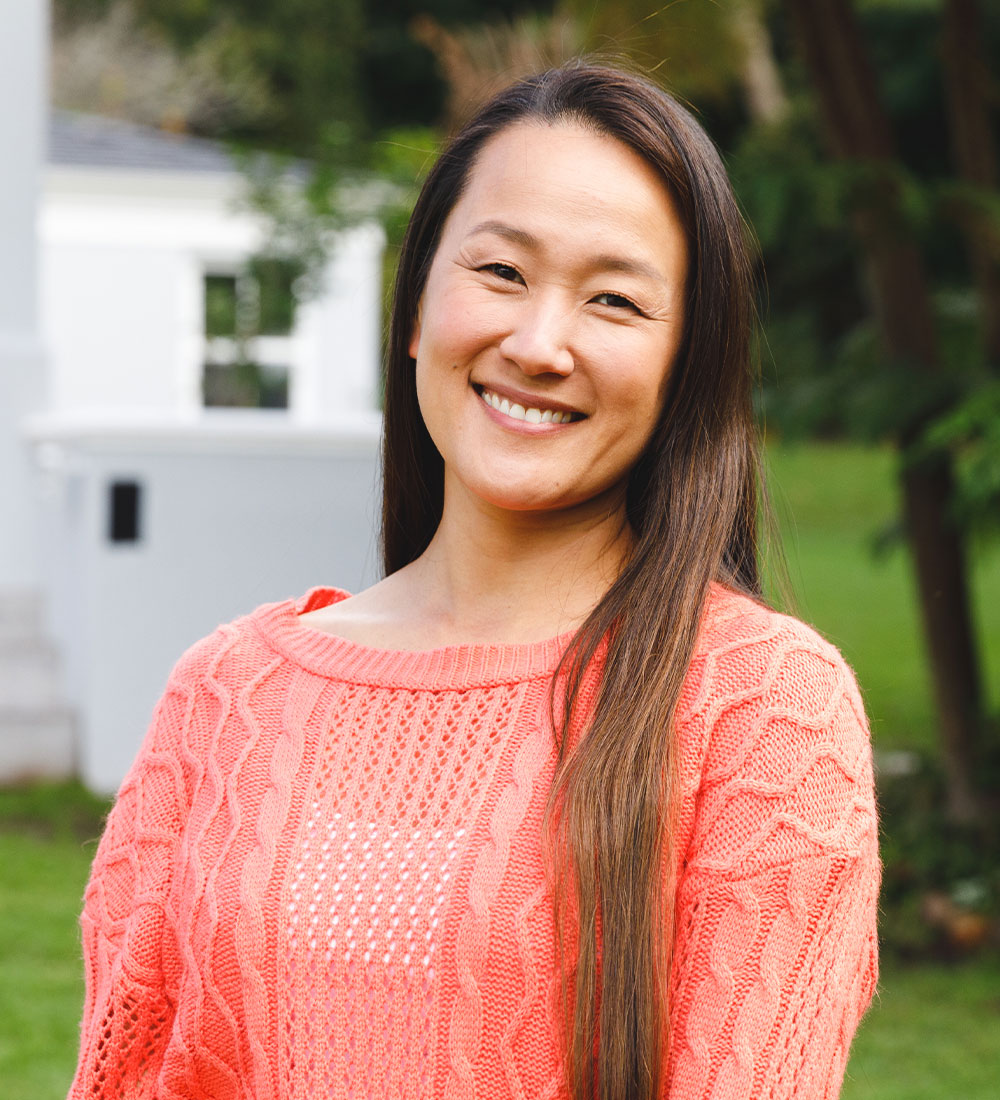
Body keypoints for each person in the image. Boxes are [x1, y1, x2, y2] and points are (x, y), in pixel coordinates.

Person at [68, 63, 879, 1100]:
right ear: (416, 308)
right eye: (501, 271)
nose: (538, 345)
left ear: (685, 367)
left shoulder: (762, 707)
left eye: (615, 300)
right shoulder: (224, 693)